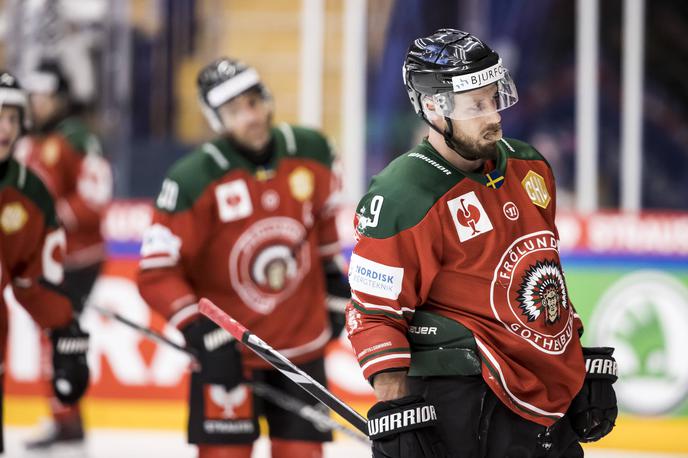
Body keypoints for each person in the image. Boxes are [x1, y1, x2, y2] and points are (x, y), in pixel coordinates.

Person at [345, 29, 618, 457]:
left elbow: (541, 274)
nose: (493, 114)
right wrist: (395, 408)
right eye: (476, 104)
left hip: (545, 396)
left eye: (494, 98)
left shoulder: (529, 165)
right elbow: (374, 314)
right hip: (467, 400)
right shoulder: (403, 194)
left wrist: (575, 357)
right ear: (434, 108)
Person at [137, 57, 349, 458]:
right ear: (215, 120)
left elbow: (321, 221)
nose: (250, 117)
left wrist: (332, 276)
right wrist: (200, 331)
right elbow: (156, 272)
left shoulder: (313, 151)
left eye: (254, 103)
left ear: (267, 100)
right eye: (234, 111)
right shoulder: (192, 179)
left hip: (301, 353)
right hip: (227, 355)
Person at [14, 60, 112, 449]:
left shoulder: (74, 138)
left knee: (57, 337)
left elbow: (95, 199)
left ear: (61, 98)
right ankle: (66, 417)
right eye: (33, 96)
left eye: (45, 96)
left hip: (76, 261)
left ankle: (66, 417)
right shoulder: (27, 141)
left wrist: (50, 216)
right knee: (53, 337)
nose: (37, 103)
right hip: (50, 259)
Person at [0, 71, 90, 454]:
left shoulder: (27, 191)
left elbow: (34, 279)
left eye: (12, 117)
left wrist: (62, 328)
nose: (5, 127)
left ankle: (67, 422)